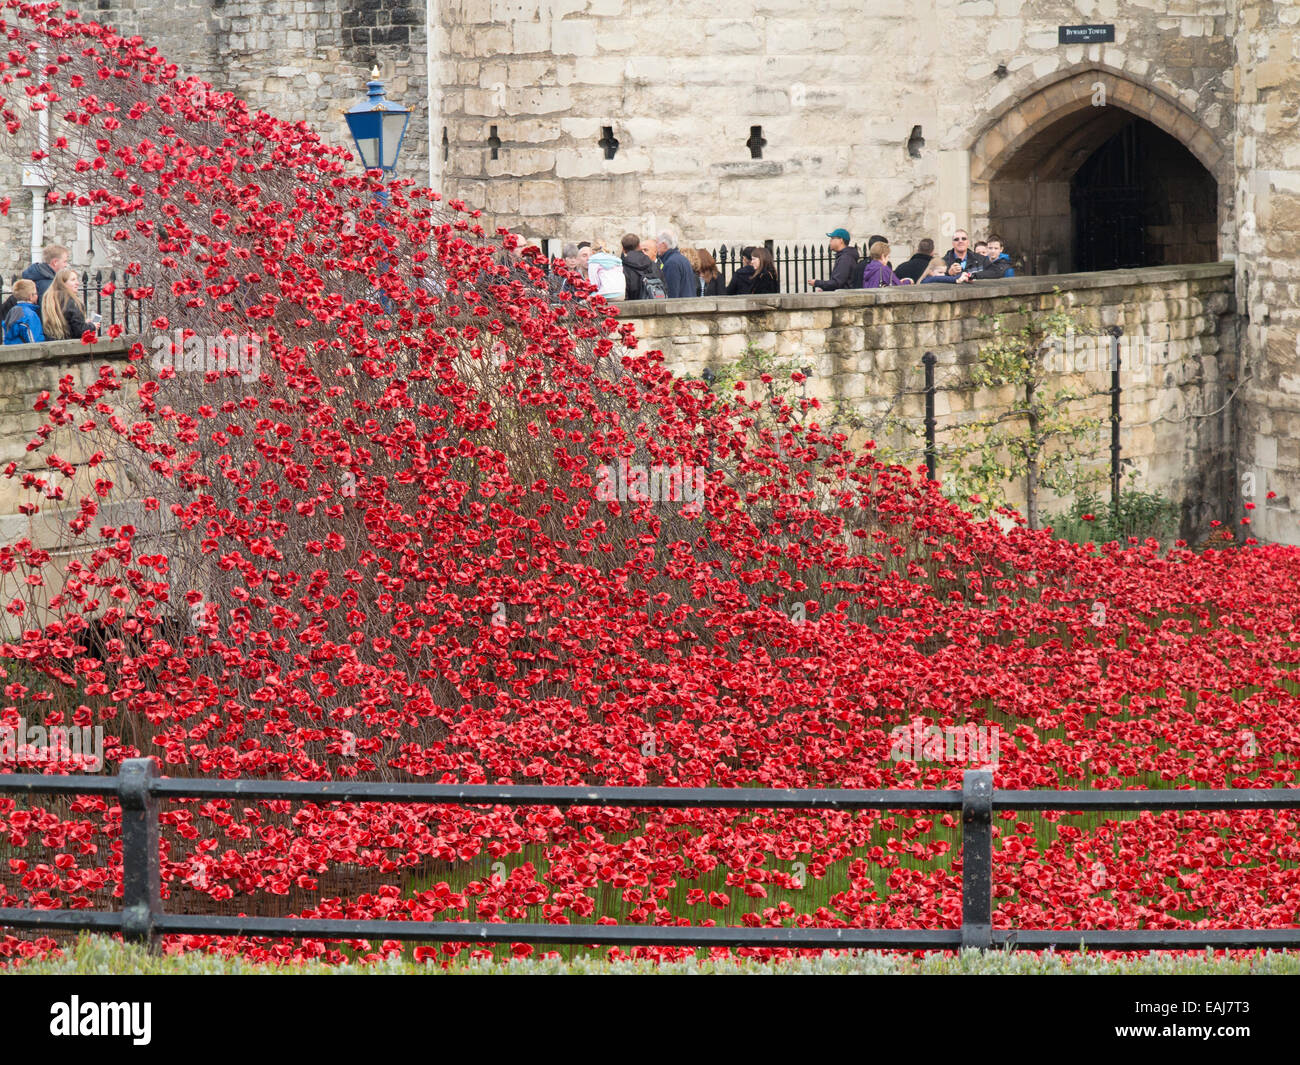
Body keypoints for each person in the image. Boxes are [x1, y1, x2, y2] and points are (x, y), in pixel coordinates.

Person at [40, 267, 89, 340]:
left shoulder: (50, 299)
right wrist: (92, 326)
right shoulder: (71, 302)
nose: (77, 283)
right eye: (73, 280)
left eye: (76, 279)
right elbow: (79, 331)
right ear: (63, 283)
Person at [620, 232, 664, 300]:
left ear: (623, 249)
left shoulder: (623, 268)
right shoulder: (654, 265)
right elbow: (664, 287)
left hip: (634, 308)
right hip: (656, 306)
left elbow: (625, 294)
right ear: (639, 246)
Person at [655, 230, 696, 299]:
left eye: (657, 243)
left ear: (664, 245)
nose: (656, 246)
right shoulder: (682, 258)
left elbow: (672, 293)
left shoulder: (671, 263)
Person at [2, 278, 44, 344]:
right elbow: (35, 342)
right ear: (31, 296)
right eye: (36, 293)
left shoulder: (12, 311)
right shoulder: (30, 315)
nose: (37, 295)